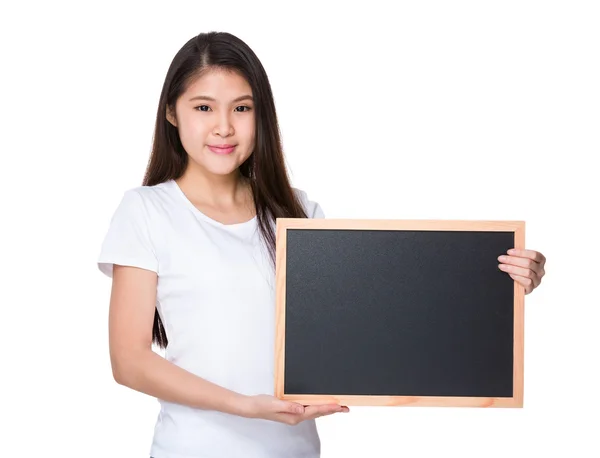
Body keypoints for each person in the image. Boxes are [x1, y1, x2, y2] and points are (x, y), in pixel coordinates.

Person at [97, 31, 547, 458]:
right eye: (202, 107)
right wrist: (245, 406)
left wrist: (495, 282)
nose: (223, 128)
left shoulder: (297, 214)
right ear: (172, 113)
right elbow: (130, 360)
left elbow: (379, 313)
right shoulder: (146, 211)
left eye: (241, 108)